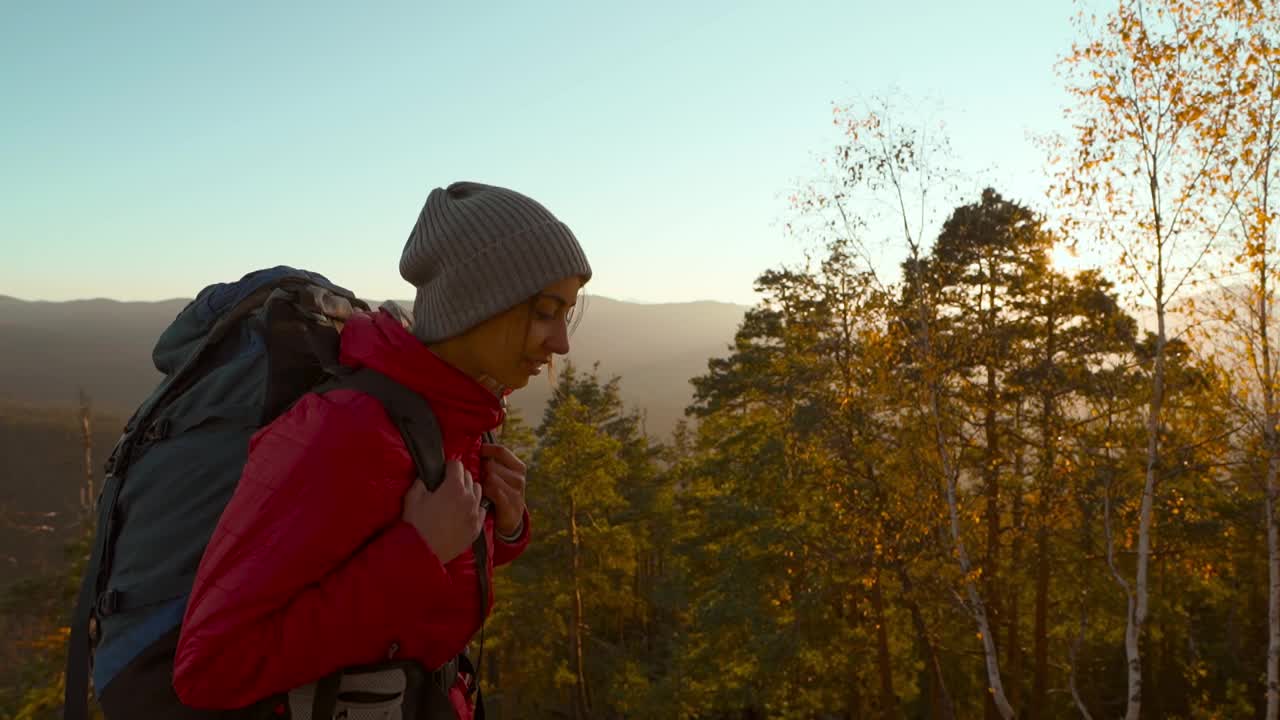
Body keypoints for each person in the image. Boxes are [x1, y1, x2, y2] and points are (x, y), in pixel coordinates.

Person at [169, 181, 592, 719]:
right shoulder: (345, 430)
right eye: (544, 312)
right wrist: (417, 552)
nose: (562, 343)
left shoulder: (452, 411)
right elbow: (210, 667)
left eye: (567, 314)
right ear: (478, 303)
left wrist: (501, 528)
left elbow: (413, 563)